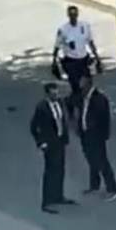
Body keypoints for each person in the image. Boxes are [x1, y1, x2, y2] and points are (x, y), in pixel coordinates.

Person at [30, 82, 75, 214]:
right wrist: (40, 142)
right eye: (53, 93)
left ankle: (58, 195)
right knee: (50, 171)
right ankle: (46, 201)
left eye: (56, 92)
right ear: (47, 94)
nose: (55, 95)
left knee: (60, 169)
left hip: (60, 141)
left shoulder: (60, 103)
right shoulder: (41, 107)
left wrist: (65, 136)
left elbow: (63, 120)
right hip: (49, 143)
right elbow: (34, 126)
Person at [52, 5, 102, 116]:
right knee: (76, 87)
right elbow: (57, 46)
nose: (73, 17)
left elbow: (90, 42)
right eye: (71, 15)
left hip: (83, 60)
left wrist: (97, 57)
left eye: (75, 14)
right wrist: (54, 61)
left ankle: (79, 103)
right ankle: (76, 107)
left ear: (77, 15)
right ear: (68, 15)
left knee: (87, 85)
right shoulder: (63, 30)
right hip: (71, 62)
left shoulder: (84, 26)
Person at [78, 76, 116, 202]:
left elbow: (103, 119)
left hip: (96, 136)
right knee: (91, 160)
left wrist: (102, 134)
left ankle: (112, 189)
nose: (80, 88)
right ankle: (94, 185)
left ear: (88, 85)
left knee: (102, 161)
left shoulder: (99, 99)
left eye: (82, 86)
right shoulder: (84, 97)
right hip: (86, 135)